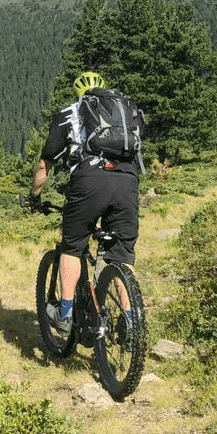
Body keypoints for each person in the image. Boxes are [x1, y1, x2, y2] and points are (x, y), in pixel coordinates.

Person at [26, 71, 143, 334]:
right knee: (122, 255)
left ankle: (65, 314)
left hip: (90, 181)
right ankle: (131, 321)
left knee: (72, 247)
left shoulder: (70, 112)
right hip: (127, 181)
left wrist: (34, 197)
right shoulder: (126, 111)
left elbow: (45, 164)